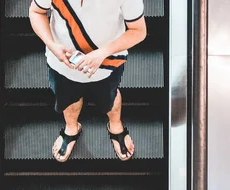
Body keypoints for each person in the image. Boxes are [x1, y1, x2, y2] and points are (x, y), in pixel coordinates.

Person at [29, 0, 147, 162]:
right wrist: (52, 45)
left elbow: (139, 30)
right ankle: (71, 128)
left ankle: (115, 124)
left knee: (110, 97)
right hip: (63, 64)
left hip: (106, 64)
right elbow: (36, 12)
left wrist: (103, 53)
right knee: (68, 100)